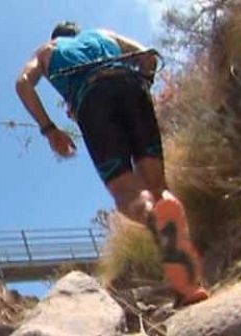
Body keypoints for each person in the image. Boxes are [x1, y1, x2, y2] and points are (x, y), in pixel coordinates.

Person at [15, 21, 208, 305]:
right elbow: (148, 56)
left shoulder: (47, 50)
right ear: (78, 34)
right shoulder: (104, 35)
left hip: (92, 99)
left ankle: (155, 219)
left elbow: (22, 84)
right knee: (158, 188)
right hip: (131, 87)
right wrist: (144, 84)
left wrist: (49, 129)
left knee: (125, 191)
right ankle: (187, 282)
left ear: (55, 38)